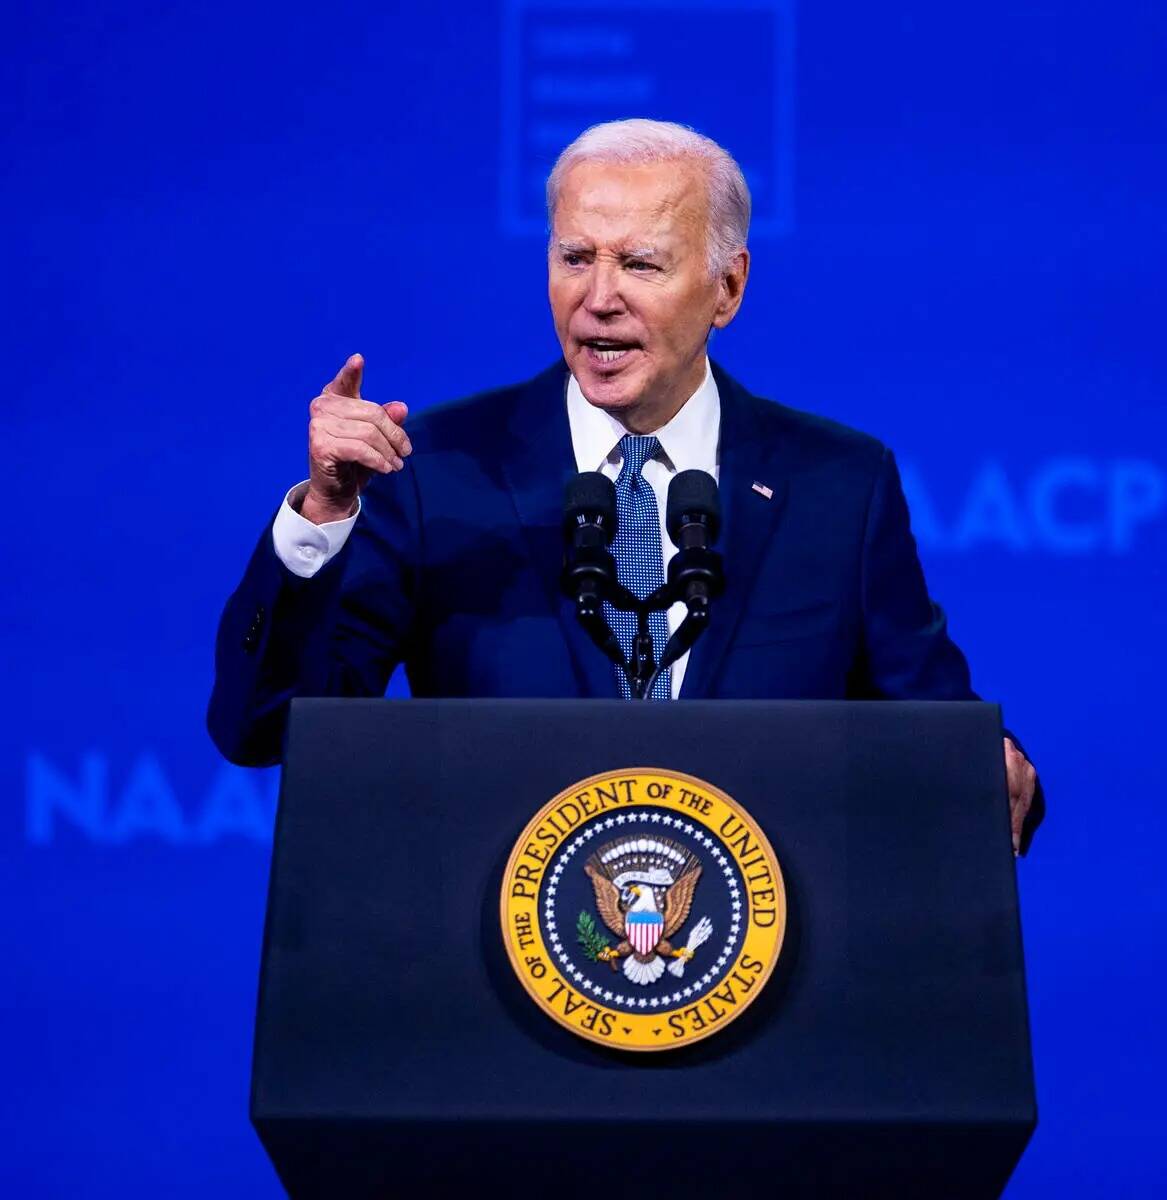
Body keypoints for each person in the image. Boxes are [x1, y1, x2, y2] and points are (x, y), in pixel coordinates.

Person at [208, 119, 1041, 852]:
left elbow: (930, 723)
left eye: (640, 264)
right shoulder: (431, 470)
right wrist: (323, 514)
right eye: (575, 257)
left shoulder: (837, 484)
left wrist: (992, 768)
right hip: (497, 983)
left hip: (763, 987)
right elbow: (267, 728)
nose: (597, 299)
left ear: (728, 287)